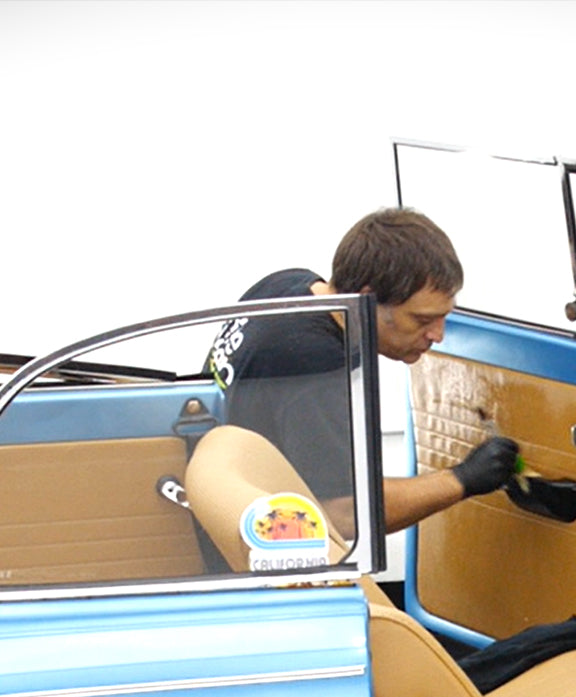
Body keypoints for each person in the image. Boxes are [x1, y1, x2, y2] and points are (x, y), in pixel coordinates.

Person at [204, 208, 519, 536]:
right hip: (255, 544)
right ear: (367, 300)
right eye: (422, 320)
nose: (437, 335)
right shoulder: (313, 362)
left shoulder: (287, 285)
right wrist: (463, 479)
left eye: (443, 318)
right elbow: (345, 515)